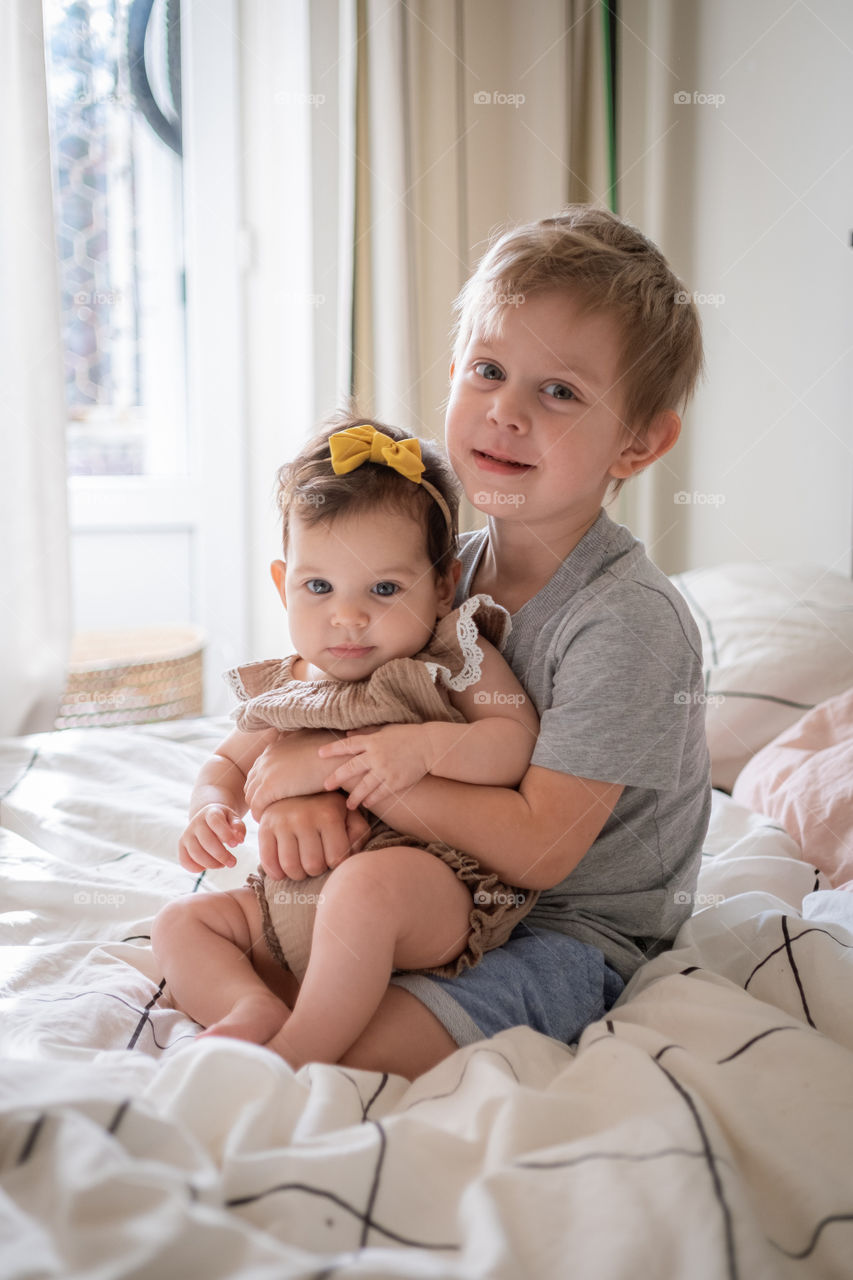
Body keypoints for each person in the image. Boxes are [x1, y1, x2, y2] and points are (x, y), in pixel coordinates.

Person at [242, 205, 714, 1080]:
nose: (503, 413)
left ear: (638, 442)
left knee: (357, 1051)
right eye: (487, 370)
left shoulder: (627, 623)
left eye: (560, 392)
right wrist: (291, 794)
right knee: (230, 943)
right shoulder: (440, 565)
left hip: (565, 927)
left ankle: (284, 1055)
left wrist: (343, 767)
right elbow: (338, 689)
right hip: (438, 881)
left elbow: (540, 847)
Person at [151, 418, 540, 1071]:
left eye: (384, 590)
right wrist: (209, 808)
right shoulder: (285, 689)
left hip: (424, 891)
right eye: (319, 587)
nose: (348, 616)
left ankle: (302, 1049)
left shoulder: (451, 660)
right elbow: (226, 763)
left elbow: (512, 742)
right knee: (180, 924)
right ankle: (251, 1007)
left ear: (441, 586)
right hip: (288, 902)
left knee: (364, 888)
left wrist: (422, 748)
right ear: (283, 585)